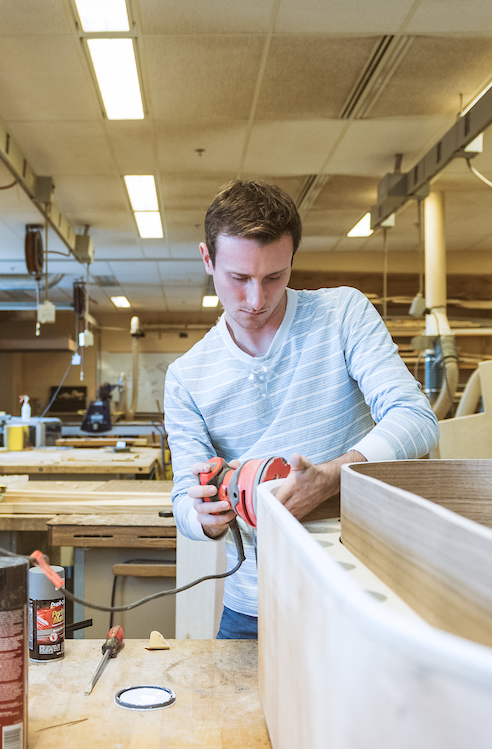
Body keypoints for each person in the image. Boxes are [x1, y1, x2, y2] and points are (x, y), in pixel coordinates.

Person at [164, 180, 440, 640]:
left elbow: (415, 418)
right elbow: (183, 501)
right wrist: (207, 518)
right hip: (255, 606)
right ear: (207, 259)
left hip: (362, 591)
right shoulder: (187, 375)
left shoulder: (342, 314)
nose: (256, 300)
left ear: (291, 259)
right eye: (239, 278)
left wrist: (333, 477)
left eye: (274, 276)